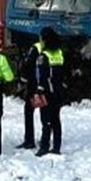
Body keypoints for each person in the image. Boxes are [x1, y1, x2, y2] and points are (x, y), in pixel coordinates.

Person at [32, 27, 66, 156]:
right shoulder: (59, 53)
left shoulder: (43, 56)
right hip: (58, 90)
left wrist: (39, 91)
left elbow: (42, 75)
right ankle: (56, 147)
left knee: (45, 119)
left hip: (47, 91)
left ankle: (44, 146)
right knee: (56, 119)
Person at [15, 39, 42, 151]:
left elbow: (28, 64)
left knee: (29, 111)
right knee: (47, 114)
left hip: (35, 87)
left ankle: (29, 140)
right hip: (48, 86)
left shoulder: (36, 48)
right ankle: (47, 139)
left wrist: (23, 79)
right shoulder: (56, 50)